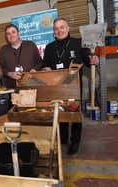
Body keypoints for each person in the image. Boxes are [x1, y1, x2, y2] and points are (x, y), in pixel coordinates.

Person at [42, 18, 99, 155]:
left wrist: (93, 60)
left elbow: (87, 61)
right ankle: (62, 140)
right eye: (56, 28)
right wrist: (45, 69)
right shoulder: (49, 48)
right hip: (57, 88)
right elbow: (44, 65)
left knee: (75, 116)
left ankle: (74, 142)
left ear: (67, 28)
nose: (59, 30)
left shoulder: (78, 43)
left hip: (74, 88)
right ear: (53, 32)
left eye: (62, 27)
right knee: (60, 114)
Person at [0, 24, 43, 88]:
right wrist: (9, 73)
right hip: (12, 86)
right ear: (6, 37)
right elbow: (1, 68)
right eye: (8, 34)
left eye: (13, 32)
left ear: (18, 34)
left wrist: (34, 69)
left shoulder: (30, 45)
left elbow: (40, 62)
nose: (11, 35)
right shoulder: (3, 50)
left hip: (32, 84)